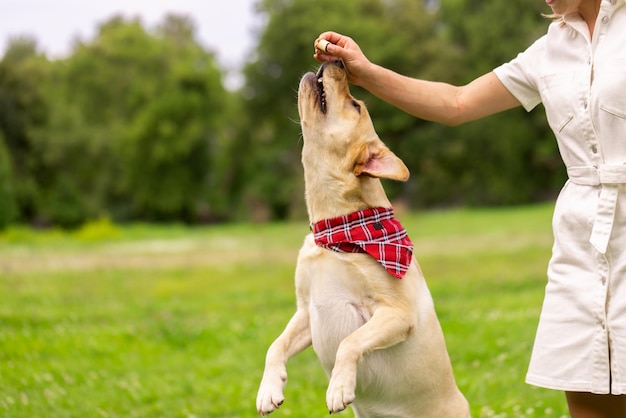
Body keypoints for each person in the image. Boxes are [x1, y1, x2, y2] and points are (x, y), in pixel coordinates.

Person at [313, 0, 626, 417]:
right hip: (581, 245)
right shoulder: (550, 51)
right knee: (590, 398)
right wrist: (365, 71)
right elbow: (456, 103)